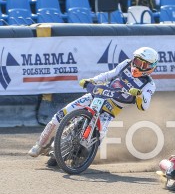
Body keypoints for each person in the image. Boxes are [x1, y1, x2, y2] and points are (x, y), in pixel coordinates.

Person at [28, 47, 159, 163]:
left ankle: (84, 155)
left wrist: (139, 94)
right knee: (60, 115)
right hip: (98, 94)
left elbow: (144, 106)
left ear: (150, 67)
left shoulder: (149, 85)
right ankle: (39, 144)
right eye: (136, 61)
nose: (137, 65)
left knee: (100, 134)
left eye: (142, 64)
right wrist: (92, 80)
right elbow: (108, 75)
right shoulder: (126, 64)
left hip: (112, 108)